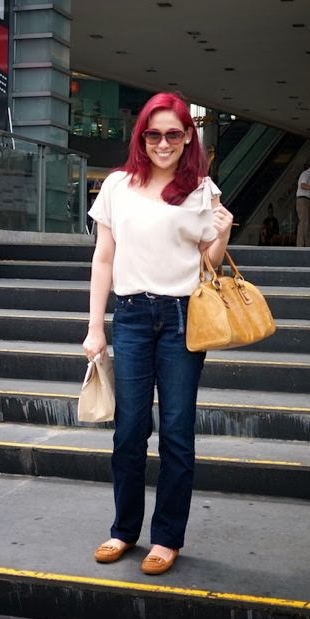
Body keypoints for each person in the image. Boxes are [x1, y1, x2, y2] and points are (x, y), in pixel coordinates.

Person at [82, 92, 233, 576]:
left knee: (176, 432)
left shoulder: (202, 190)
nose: (163, 143)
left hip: (182, 318)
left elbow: (207, 266)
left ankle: (167, 537)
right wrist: (95, 328)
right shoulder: (117, 186)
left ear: (188, 136)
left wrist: (223, 234)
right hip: (130, 316)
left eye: (173, 133)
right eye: (154, 134)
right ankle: (124, 530)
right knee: (128, 431)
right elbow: (103, 258)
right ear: (141, 136)